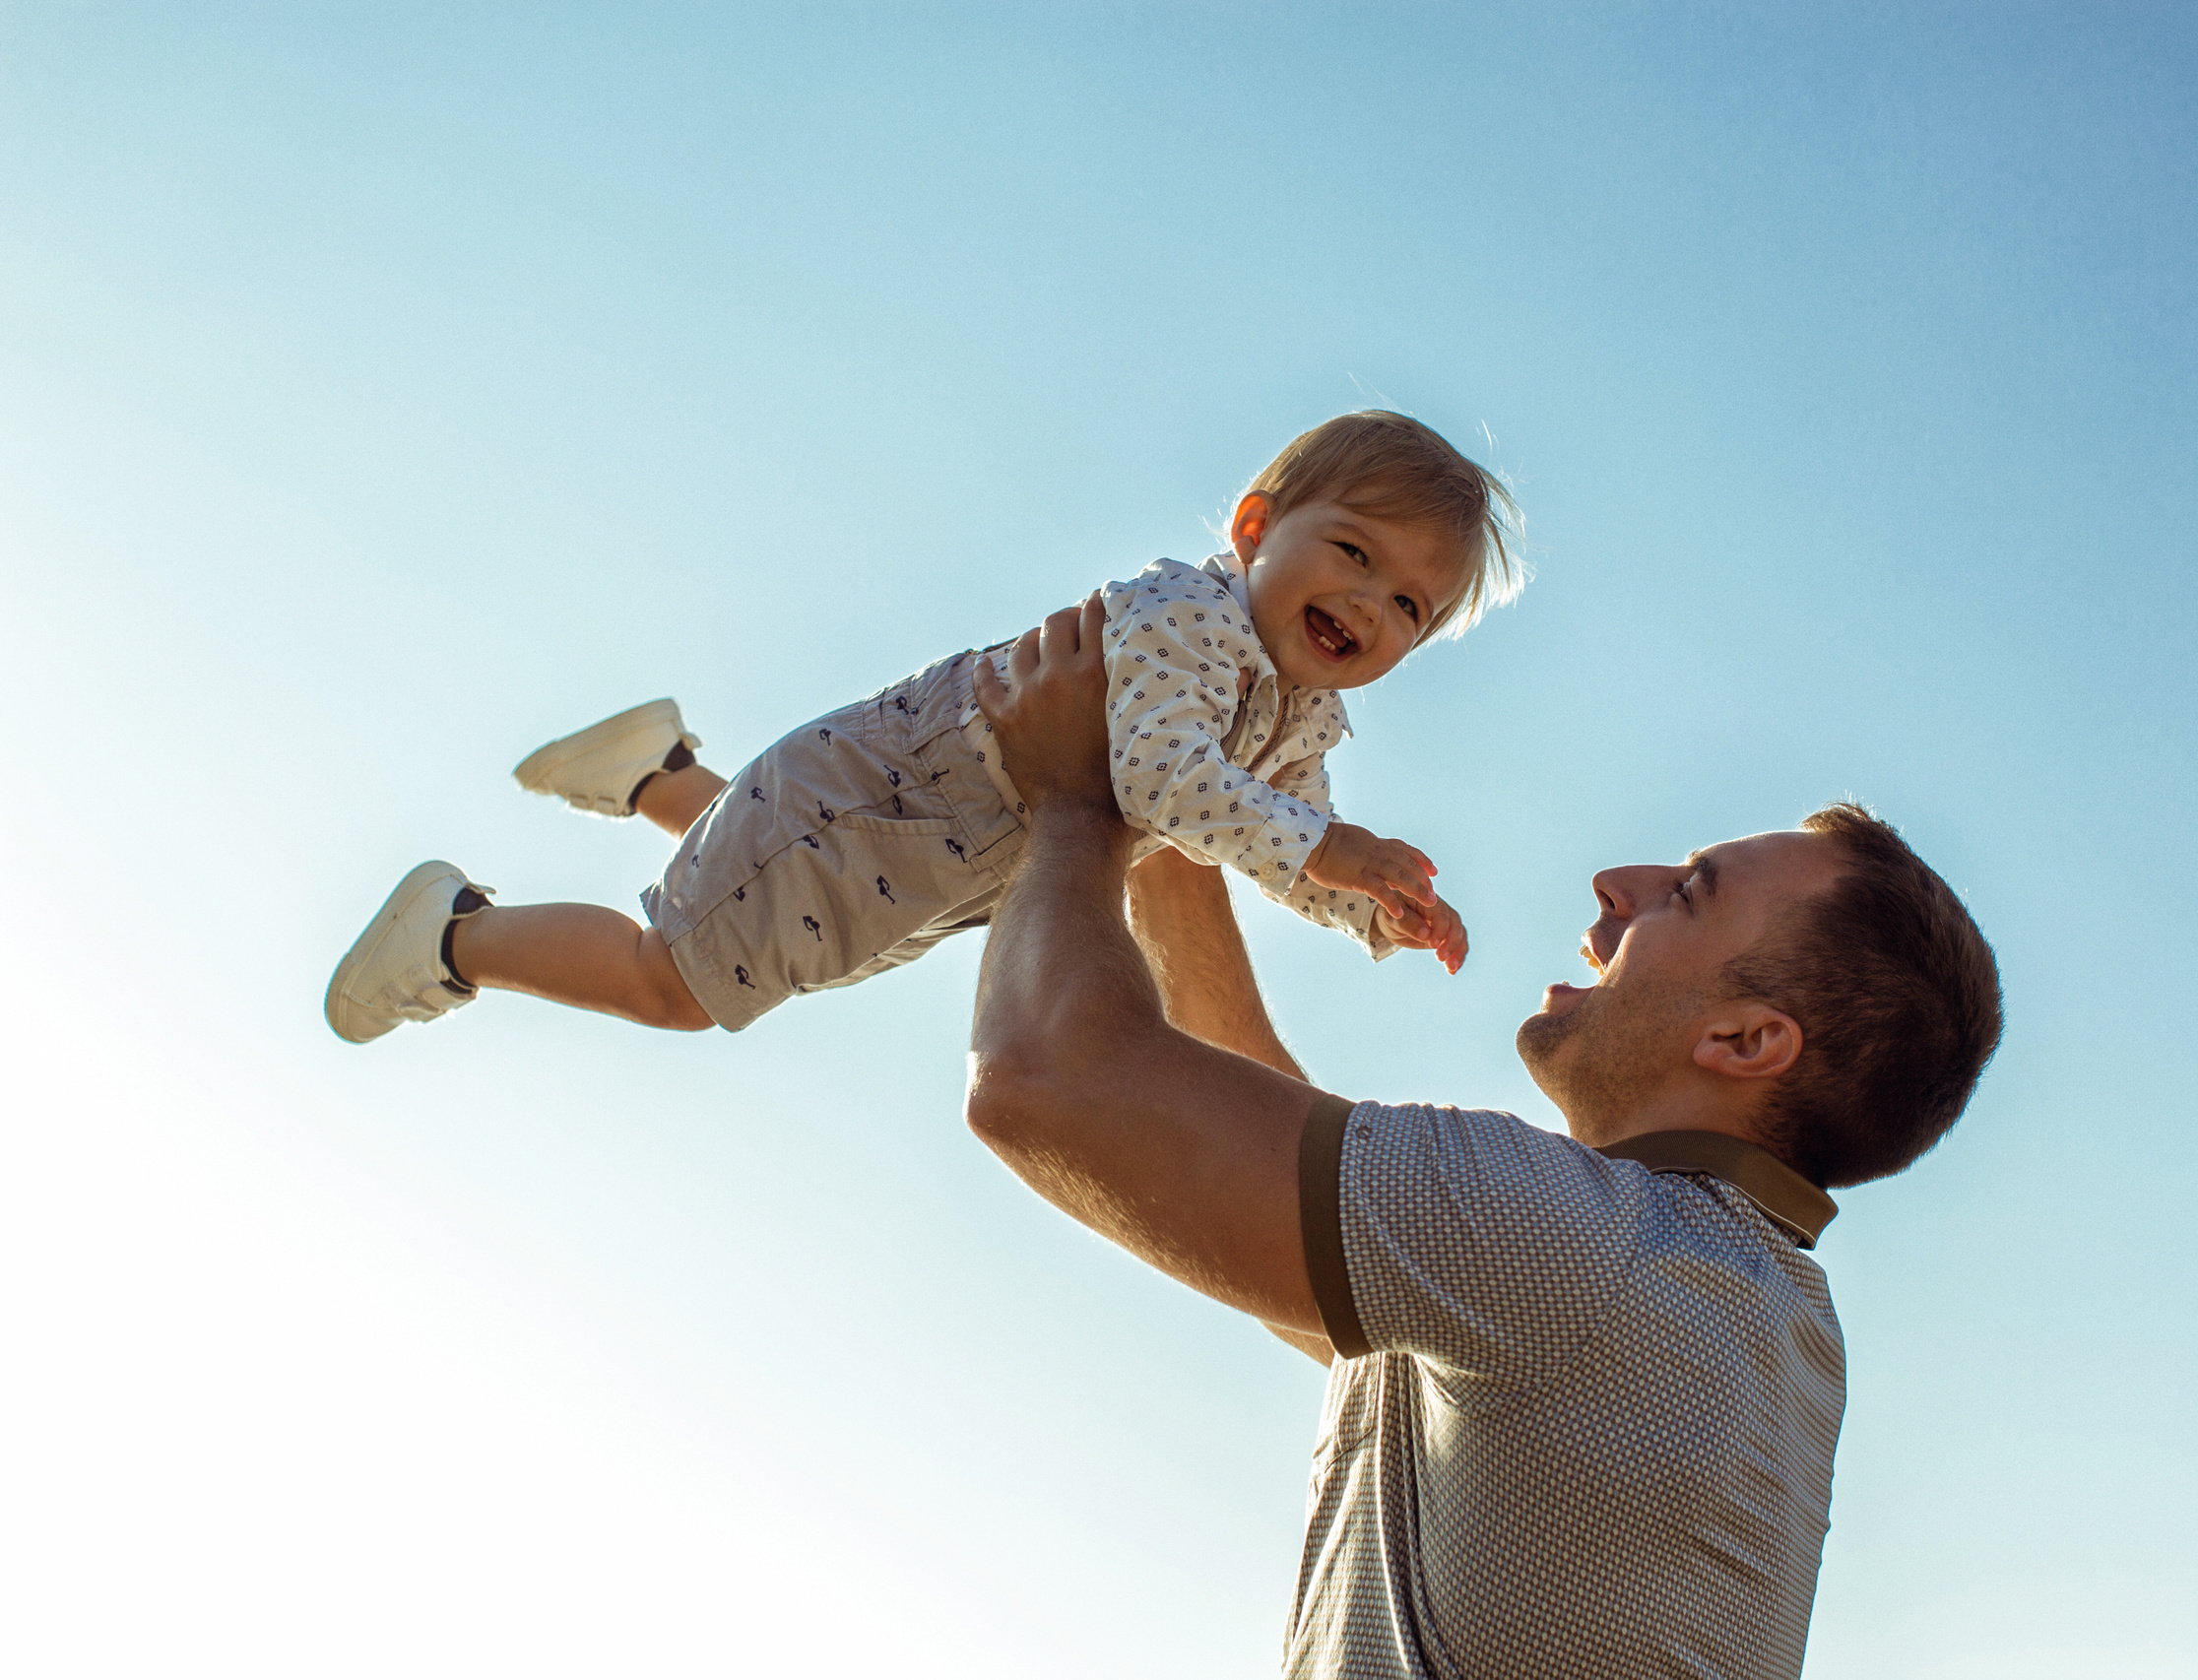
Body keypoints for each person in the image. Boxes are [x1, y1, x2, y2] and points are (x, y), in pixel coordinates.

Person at [962, 597, 2004, 1678]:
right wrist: (1177, 834)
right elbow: (1246, 1162)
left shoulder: (1574, 1245)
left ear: (1745, 1039)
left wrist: (1076, 797)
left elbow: (1044, 1078)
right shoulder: (1756, 1311)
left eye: (1689, 892)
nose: (1622, 881)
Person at [324, 411, 1520, 1044]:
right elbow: (1167, 783)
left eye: (1409, 603)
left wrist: (1363, 899)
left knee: (759, 888)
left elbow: (1275, 829)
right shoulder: (1185, 615)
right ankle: (454, 933)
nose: (1368, 604)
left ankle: (655, 773)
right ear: (1257, 527)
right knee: (673, 979)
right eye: (1353, 553)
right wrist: (1329, 853)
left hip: (920, 861)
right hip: (879, 802)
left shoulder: (1303, 710)